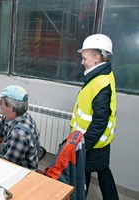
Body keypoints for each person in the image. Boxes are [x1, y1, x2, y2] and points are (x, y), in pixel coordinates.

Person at [70, 34, 119, 199]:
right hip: (98, 141)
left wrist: (84, 144)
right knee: (102, 171)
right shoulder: (102, 75)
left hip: (92, 141)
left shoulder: (100, 82)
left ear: (97, 59)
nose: (82, 62)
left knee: (85, 172)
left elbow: (99, 121)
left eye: (84, 58)